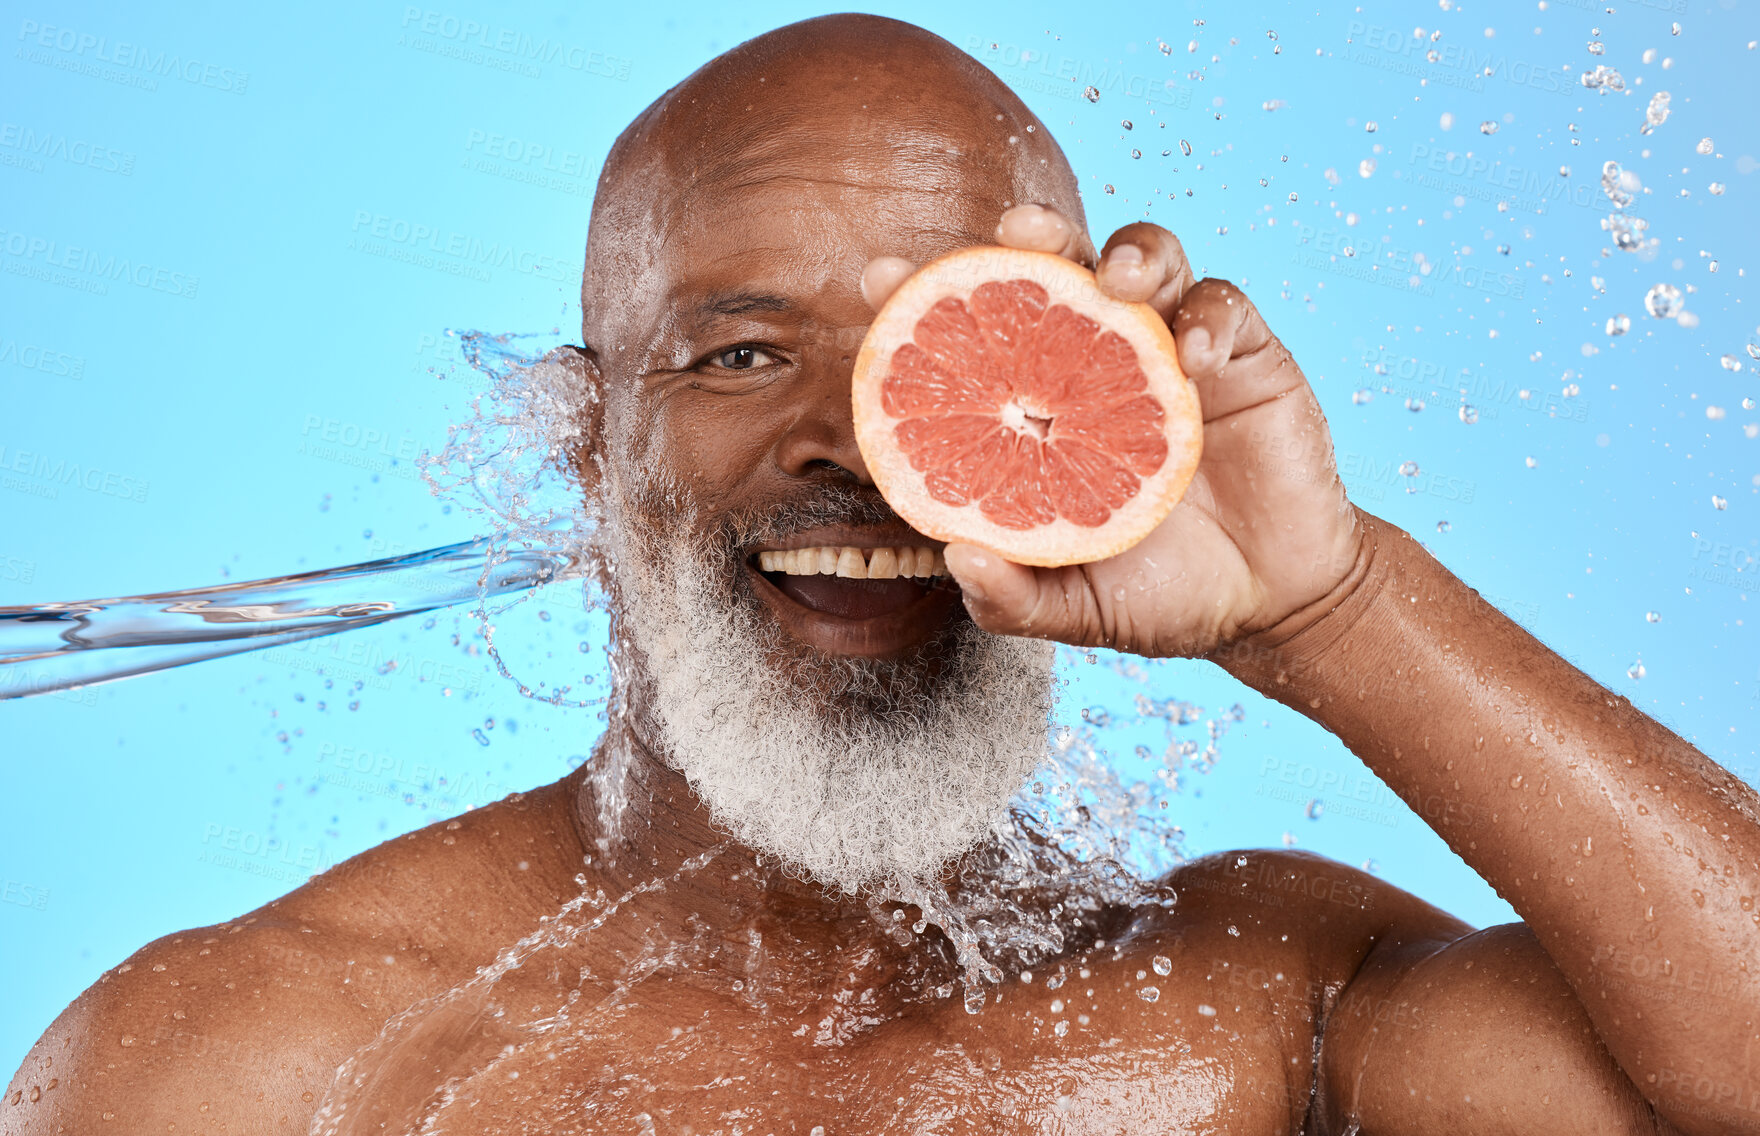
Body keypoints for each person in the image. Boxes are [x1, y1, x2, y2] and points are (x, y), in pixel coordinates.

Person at [7, 14, 1755, 1134]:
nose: (862, 444)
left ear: (1080, 414)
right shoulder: (255, 1061)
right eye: (744, 356)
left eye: (945, 354)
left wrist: (1337, 609)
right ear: (581, 445)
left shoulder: (1264, 1011)